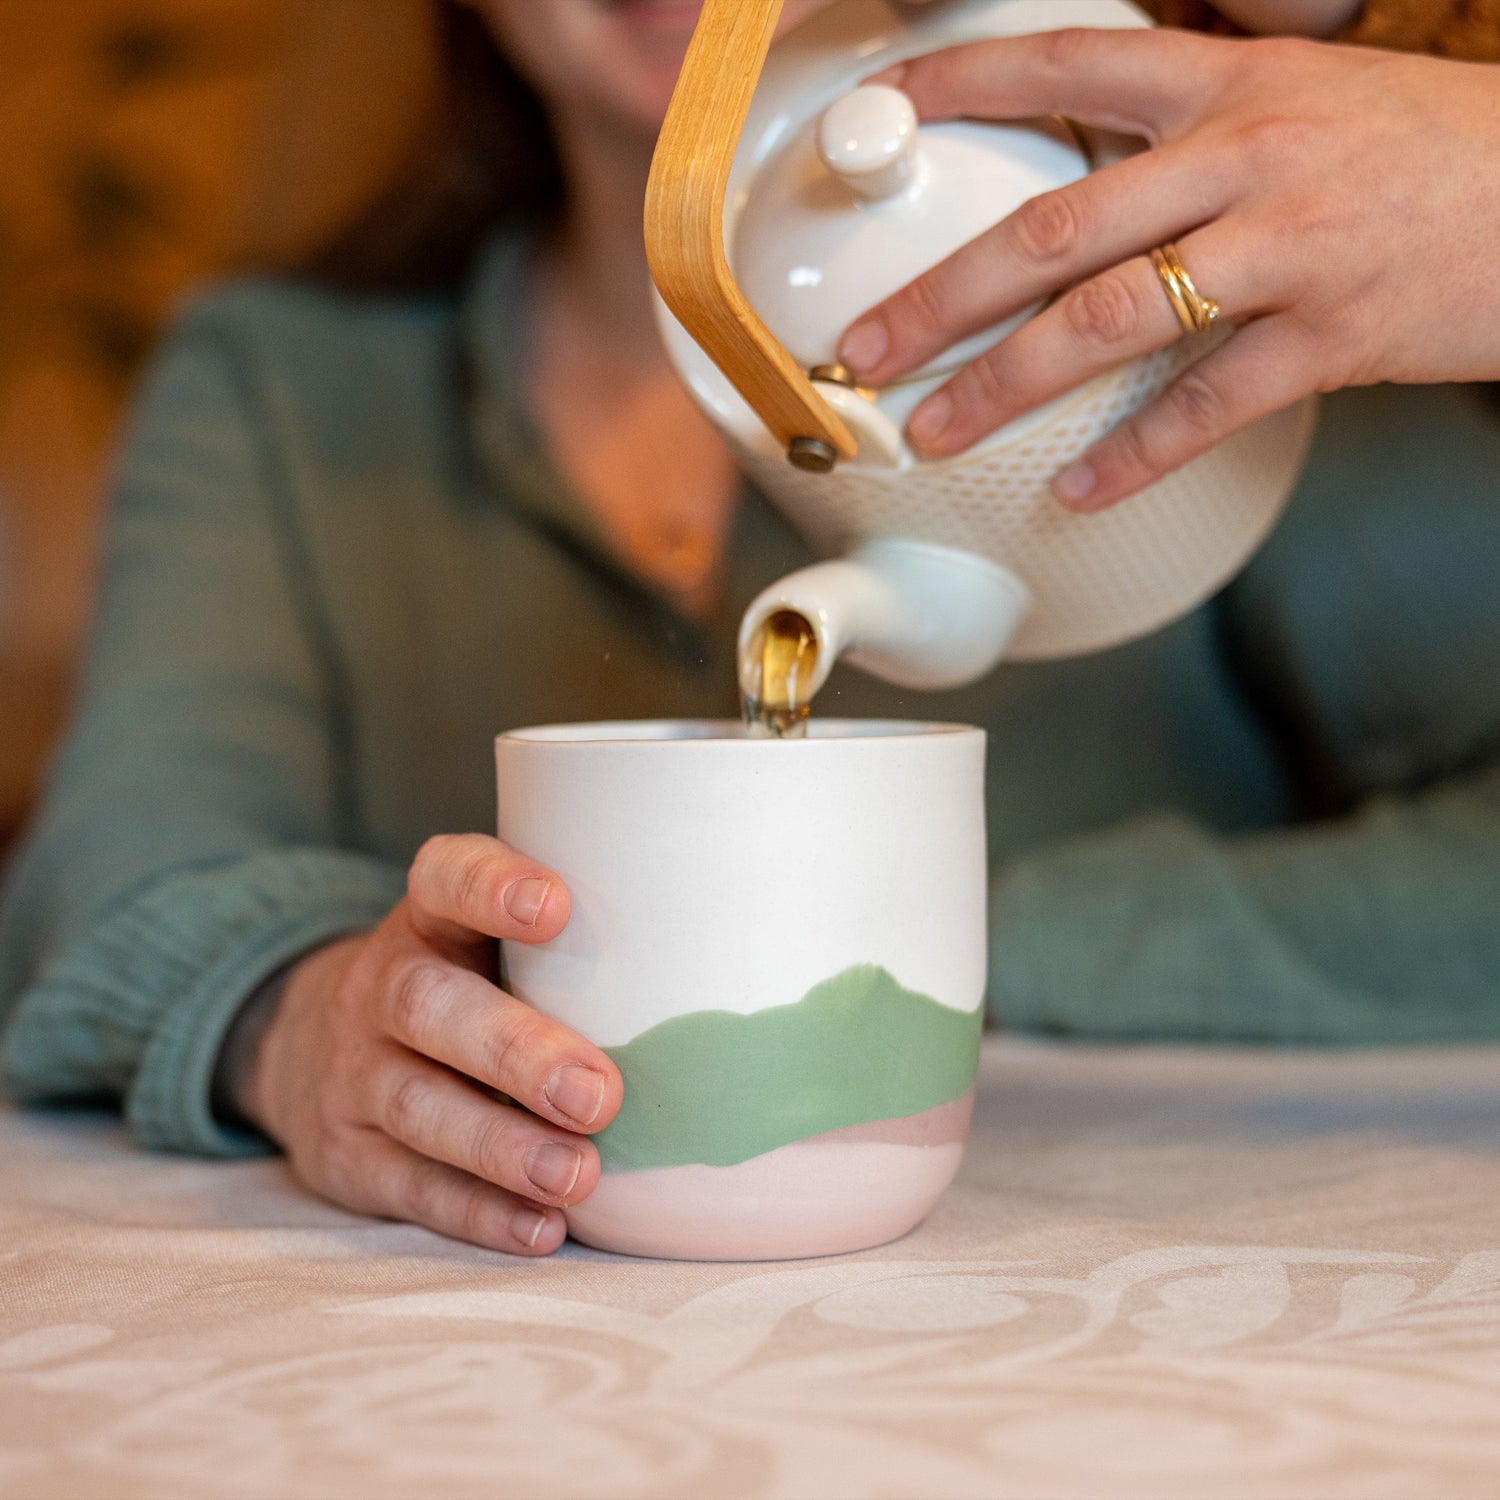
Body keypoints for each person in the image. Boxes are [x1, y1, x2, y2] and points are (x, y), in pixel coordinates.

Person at [1, 0, 1498, 1258]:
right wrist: (299, 1010)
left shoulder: (1157, 316)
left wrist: (962, 971)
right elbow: (110, 881)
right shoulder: (284, 389)